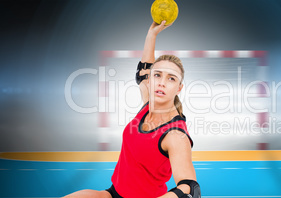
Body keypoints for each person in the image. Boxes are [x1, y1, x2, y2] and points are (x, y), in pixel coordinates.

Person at [63, 20, 200, 198]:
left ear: (179, 88)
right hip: (112, 194)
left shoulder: (175, 135)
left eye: (171, 78)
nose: (162, 82)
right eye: (157, 75)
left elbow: (190, 188)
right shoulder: (147, 105)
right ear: (150, 81)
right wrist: (152, 35)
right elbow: (142, 72)